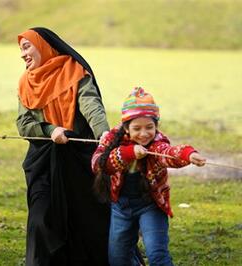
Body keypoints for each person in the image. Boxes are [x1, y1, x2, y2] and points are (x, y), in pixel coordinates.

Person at [16, 27, 111, 266]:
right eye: (20, 49)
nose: (22, 54)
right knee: (41, 219)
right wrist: (50, 130)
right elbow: (24, 123)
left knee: (86, 220)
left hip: (78, 160)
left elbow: (91, 106)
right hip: (44, 162)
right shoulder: (25, 83)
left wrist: (104, 135)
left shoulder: (75, 71)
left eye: (27, 47)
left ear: (44, 46)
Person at [92, 87, 206, 265]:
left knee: (157, 255)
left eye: (149, 127)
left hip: (150, 205)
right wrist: (129, 152)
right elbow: (98, 164)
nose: (144, 134)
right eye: (137, 128)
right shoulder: (113, 139)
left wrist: (188, 155)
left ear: (156, 126)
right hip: (121, 207)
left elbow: (168, 153)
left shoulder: (157, 143)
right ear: (126, 128)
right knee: (118, 259)